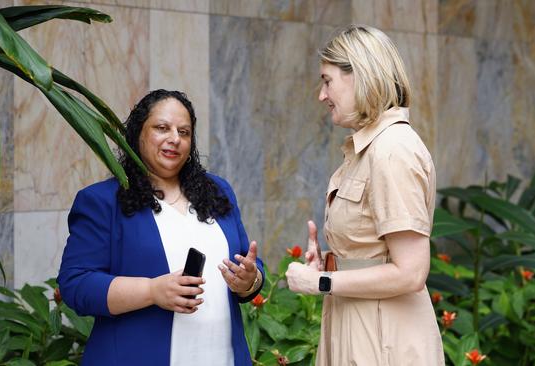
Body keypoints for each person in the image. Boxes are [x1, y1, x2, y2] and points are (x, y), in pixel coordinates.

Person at [57, 89, 264, 366]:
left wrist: (250, 280)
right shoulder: (102, 201)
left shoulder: (217, 191)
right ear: (137, 134)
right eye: (162, 128)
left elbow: (248, 265)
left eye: (184, 132)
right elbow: (76, 285)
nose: (174, 139)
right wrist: (152, 291)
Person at [285, 25, 444, 365]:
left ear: (360, 75)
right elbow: (375, 249)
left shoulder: (391, 150)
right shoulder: (370, 149)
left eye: (327, 80)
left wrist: (321, 282)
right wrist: (332, 261)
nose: (321, 95)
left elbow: (411, 272)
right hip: (361, 325)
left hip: (384, 339)